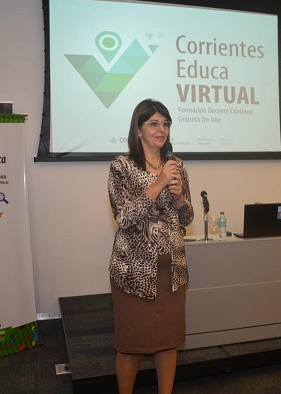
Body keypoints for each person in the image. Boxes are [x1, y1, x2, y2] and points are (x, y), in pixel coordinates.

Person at [107, 99, 194, 393]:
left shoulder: (177, 166)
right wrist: (158, 184)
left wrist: (180, 198)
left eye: (165, 123)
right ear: (138, 129)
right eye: (154, 123)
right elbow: (124, 217)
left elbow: (187, 218)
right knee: (132, 344)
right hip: (133, 273)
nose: (161, 129)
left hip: (172, 271)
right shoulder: (122, 166)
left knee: (168, 342)